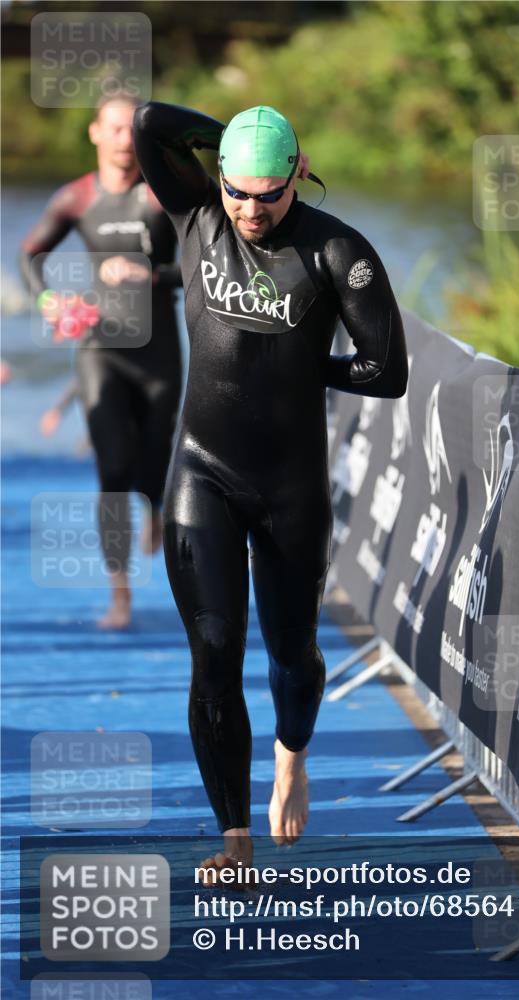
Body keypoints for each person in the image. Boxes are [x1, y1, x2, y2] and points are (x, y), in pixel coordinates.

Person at [132, 101, 408, 874]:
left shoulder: (336, 250)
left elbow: (387, 372)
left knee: (292, 654)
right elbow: (150, 120)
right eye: (239, 190)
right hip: (202, 475)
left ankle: (292, 754)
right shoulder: (192, 214)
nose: (252, 209)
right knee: (213, 651)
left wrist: (298, 368)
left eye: (270, 192)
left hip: (289, 489)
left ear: (299, 174)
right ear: (217, 178)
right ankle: (234, 837)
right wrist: (236, 135)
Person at [20, 94, 183, 629]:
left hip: (159, 350)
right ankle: (121, 595)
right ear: (94, 133)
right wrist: (48, 300)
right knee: (113, 469)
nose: (121, 140)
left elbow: (207, 263)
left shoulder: (162, 196)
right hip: (99, 349)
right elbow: (29, 255)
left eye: (130, 131)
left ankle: (157, 509)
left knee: (154, 467)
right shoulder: (77, 198)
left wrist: (152, 276)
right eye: (112, 129)